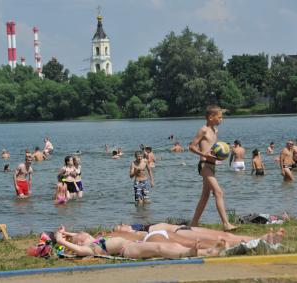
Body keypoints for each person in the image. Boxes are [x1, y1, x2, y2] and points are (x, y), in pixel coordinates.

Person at [188, 105, 237, 231]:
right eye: (219, 117)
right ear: (211, 117)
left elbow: (213, 148)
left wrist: (225, 148)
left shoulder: (215, 131)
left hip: (212, 165)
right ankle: (226, 224)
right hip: (204, 165)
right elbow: (192, 147)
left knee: (205, 196)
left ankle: (193, 224)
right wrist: (203, 154)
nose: (222, 120)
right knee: (219, 192)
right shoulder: (203, 130)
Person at [55, 225, 224, 259]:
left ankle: (207, 252)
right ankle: (190, 252)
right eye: (76, 236)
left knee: (164, 247)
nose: (79, 234)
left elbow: (78, 235)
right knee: (159, 247)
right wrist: (60, 239)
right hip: (127, 250)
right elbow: (76, 248)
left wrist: (64, 233)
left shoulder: (92, 239)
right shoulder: (88, 247)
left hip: (132, 245)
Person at [113, 223, 284, 248]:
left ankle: (260, 238)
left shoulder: (139, 226)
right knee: (220, 240)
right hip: (180, 232)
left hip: (183, 227)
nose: (121, 225)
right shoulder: (136, 233)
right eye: (119, 226)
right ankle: (260, 242)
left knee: (224, 234)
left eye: (121, 224)